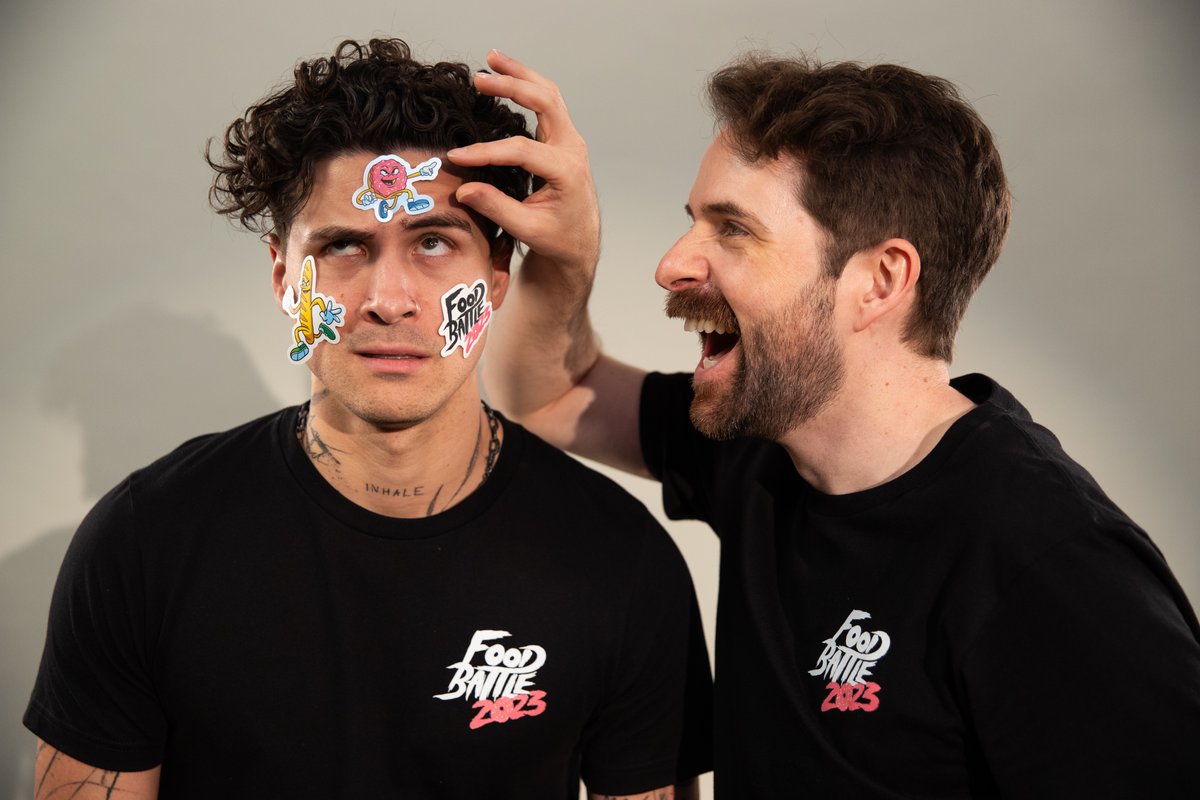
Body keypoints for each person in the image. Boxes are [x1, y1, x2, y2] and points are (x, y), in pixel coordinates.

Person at [464, 52, 1200, 796]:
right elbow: (551, 395)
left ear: (880, 280)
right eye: (695, 223)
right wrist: (569, 251)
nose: (671, 265)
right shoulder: (761, 443)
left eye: (734, 230)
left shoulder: (1048, 564)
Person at [24, 39, 711, 800]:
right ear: (283, 277)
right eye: (345, 246)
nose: (389, 299)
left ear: (495, 278)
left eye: (433, 242)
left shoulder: (619, 561)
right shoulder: (145, 542)